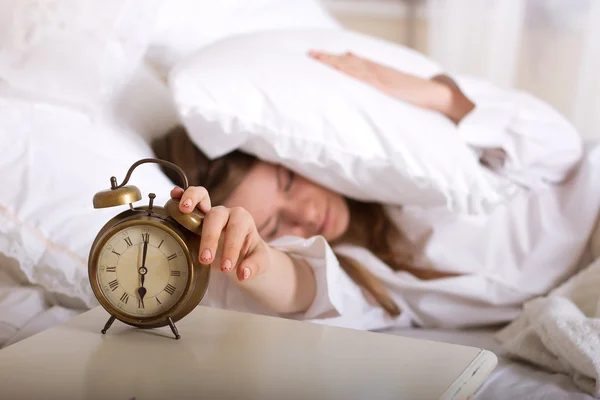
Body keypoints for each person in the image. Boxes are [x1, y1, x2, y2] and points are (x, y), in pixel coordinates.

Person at [152, 51, 600, 331]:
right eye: (273, 224)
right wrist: (250, 255)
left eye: (288, 183)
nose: (304, 214)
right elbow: (306, 290)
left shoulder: (413, 165)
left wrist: (441, 98)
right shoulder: (363, 272)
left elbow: (561, 152)